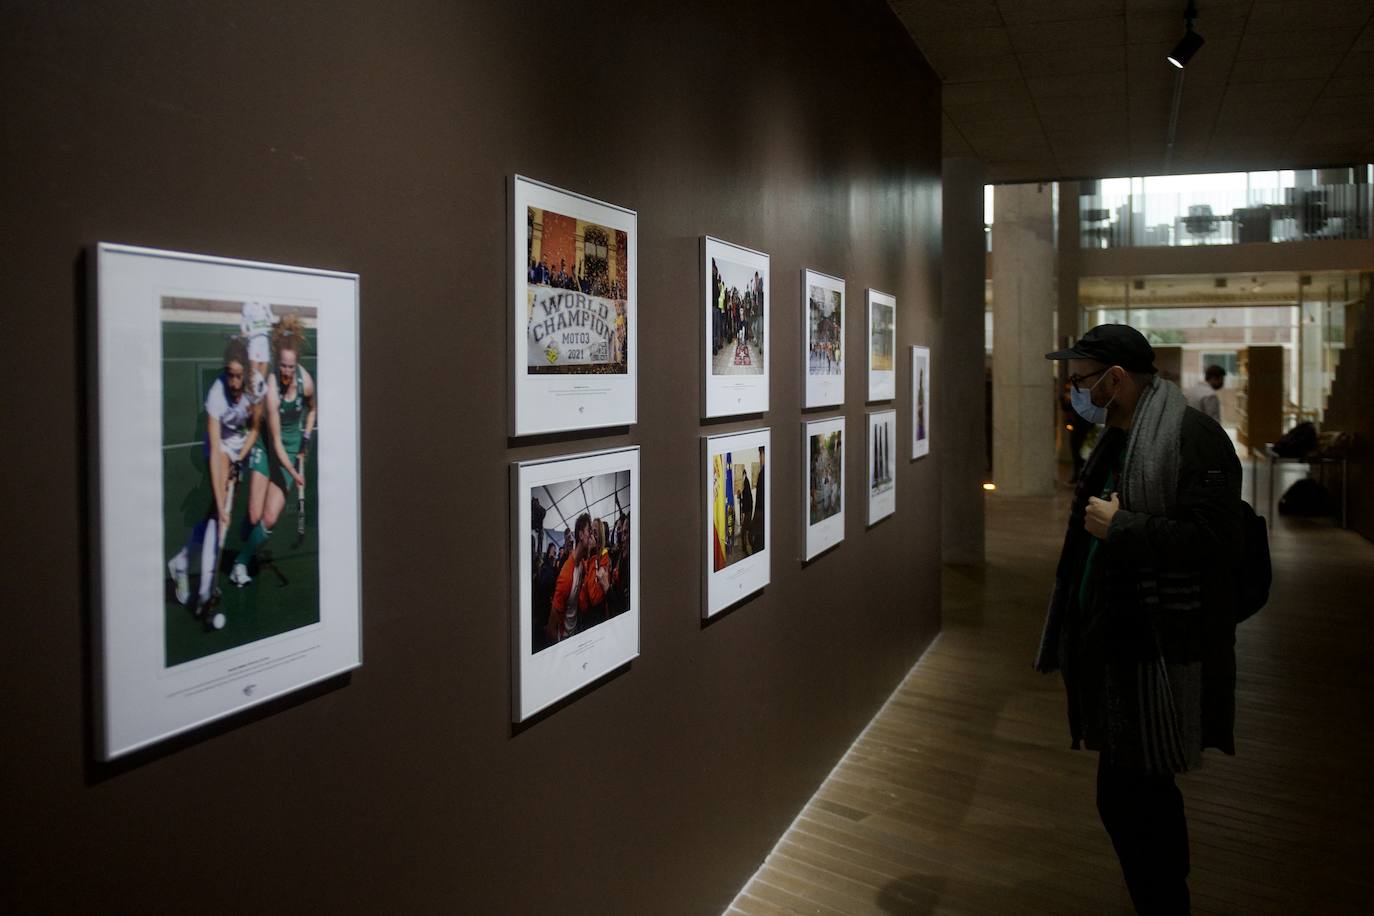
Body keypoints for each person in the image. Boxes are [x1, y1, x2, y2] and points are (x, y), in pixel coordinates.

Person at [1037, 324, 1244, 915]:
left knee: (1135, 795)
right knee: (1134, 792)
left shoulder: (1191, 439)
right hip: (1116, 639)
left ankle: (1164, 902)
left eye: (1081, 382)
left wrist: (1123, 527)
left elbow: (1213, 543)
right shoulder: (1117, 437)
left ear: (1117, 379)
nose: (1076, 393)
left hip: (1155, 646)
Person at [167, 337, 260, 616]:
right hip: (217, 450)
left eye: (238, 376)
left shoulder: (254, 389)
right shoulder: (216, 395)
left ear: (246, 372)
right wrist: (222, 505)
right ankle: (206, 589)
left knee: (213, 519)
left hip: (238, 450)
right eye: (229, 375)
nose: (233, 383)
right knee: (218, 518)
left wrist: (240, 458)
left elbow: (254, 429)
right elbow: (216, 446)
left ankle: (182, 563)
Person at [230, 316, 314, 586]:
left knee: (268, 519)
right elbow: (276, 442)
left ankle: (240, 562)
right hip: (268, 449)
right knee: (254, 516)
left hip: (291, 454)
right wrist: (294, 472)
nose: (287, 371)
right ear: (277, 363)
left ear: (296, 363)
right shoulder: (273, 390)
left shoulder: (306, 382)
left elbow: (313, 410)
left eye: (291, 366)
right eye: (283, 366)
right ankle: (247, 520)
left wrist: (305, 440)